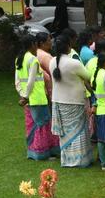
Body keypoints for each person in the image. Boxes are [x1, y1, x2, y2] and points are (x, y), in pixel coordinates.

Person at [51, 33, 95, 168]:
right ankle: (80, 160)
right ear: (69, 46)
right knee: (78, 131)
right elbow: (89, 76)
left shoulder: (52, 61)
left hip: (58, 101)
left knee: (65, 133)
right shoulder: (74, 63)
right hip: (74, 101)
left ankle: (67, 160)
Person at [17, 32, 57, 161]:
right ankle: (42, 153)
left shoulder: (19, 59)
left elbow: (18, 80)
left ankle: (33, 151)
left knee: (32, 125)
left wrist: (22, 95)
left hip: (28, 99)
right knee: (42, 125)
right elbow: (31, 80)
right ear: (33, 45)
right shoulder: (32, 59)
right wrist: (26, 96)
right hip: (37, 98)